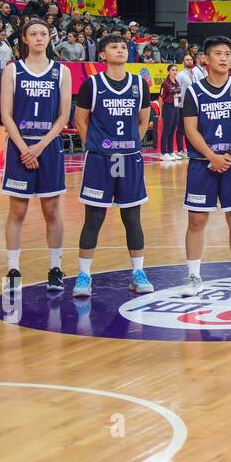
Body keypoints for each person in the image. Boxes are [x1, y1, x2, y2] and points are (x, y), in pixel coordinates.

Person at [72, 32, 151, 298]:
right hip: (100, 160)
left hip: (129, 159)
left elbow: (144, 121)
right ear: (102, 54)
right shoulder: (92, 84)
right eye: (114, 47)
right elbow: (80, 121)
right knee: (94, 218)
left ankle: (138, 273)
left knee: (132, 218)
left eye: (123, 47)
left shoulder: (139, 84)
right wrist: (95, 146)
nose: (121, 50)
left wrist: (130, 144)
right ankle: (84, 275)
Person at [180, 36, 231, 297]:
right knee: (196, 220)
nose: (225, 58)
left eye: (227, 53)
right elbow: (191, 129)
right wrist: (212, 156)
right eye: (219, 54)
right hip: (203, 163)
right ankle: (193, 276)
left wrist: (229, 154)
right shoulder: (193, 91)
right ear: (206, 59)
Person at [158, 65, 185, 161]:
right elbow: (161, 98)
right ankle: (163, 153)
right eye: (173, 70)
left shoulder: (177, 82)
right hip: (168, 108)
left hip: (176, 107)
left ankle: (170, 151)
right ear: (168, 71)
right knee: (166, 130)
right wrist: (160, 112)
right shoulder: (165, 84)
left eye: (176, 70)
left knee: (173, 130)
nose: (175, 72)